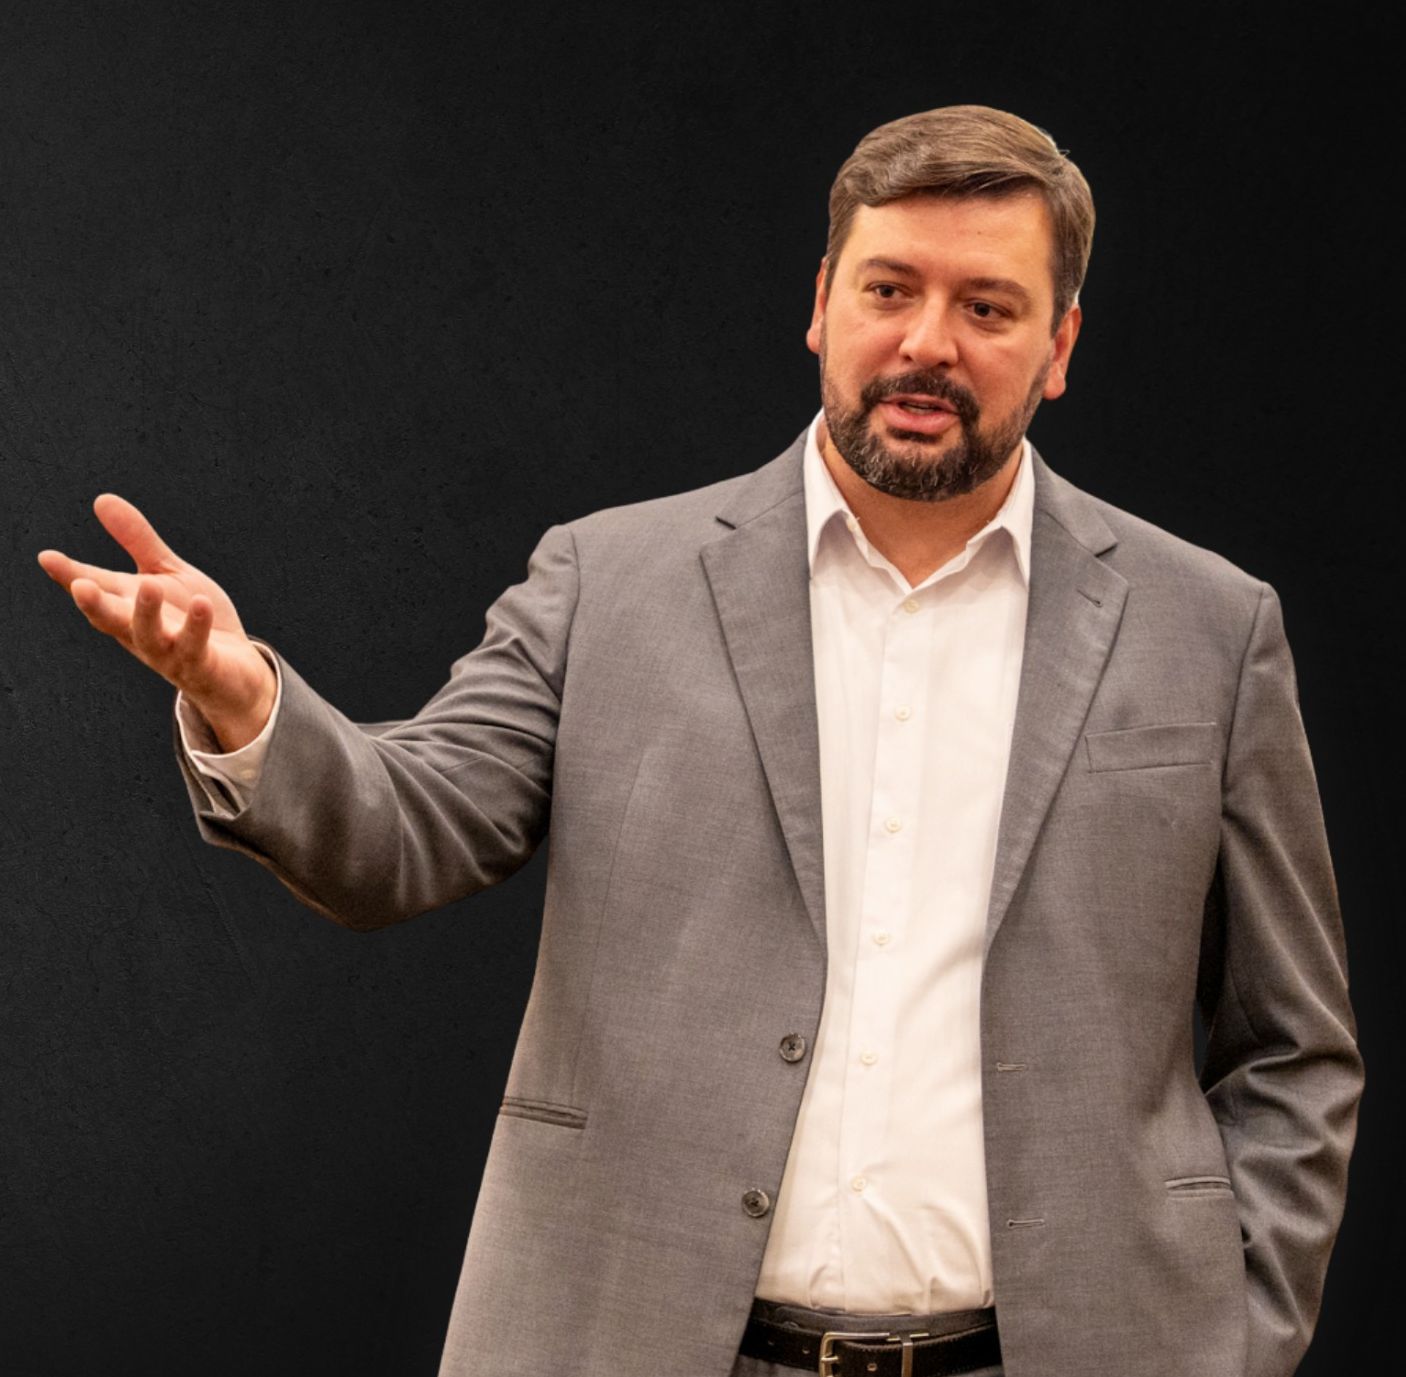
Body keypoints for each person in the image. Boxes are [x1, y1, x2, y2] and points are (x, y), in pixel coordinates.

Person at [37, 105, 1362, 1377]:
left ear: (1060, 343)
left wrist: (1230, 1339)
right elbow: (404, 833)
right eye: (889, 289)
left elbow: (1293, 1046)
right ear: (821, 303)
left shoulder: (1208, 627)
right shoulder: (607, 580)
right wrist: (244, 699)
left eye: (987, 307)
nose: (926, 343)